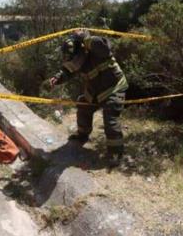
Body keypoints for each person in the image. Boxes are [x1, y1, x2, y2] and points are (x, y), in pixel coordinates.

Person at [49, 30, 128, 166]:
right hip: (96, 91)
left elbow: (104, 46)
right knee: (83, 105)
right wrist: (57, 78)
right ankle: (82, 135)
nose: (71, 60)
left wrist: (85, 38)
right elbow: (68, 70)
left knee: (110, 118)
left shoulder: (97, 49)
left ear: (81, 50)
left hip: (114, 88)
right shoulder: (78, 59)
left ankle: (116, 153)